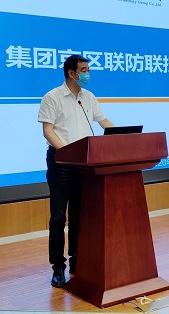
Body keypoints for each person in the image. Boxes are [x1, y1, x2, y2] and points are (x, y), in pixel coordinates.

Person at [38, 54, 114, 288]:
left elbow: (103, 122)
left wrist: (123, 135)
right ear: (71, 73)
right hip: (61, 163)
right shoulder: (52, 97)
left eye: (88, 69)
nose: (87, 74)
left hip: (84, 164)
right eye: (84, 70)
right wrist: (67, 152)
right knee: (58, 217)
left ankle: (77, 261)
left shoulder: (88, 97)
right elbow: (48, 131)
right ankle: (58, 267)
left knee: (79, 216)